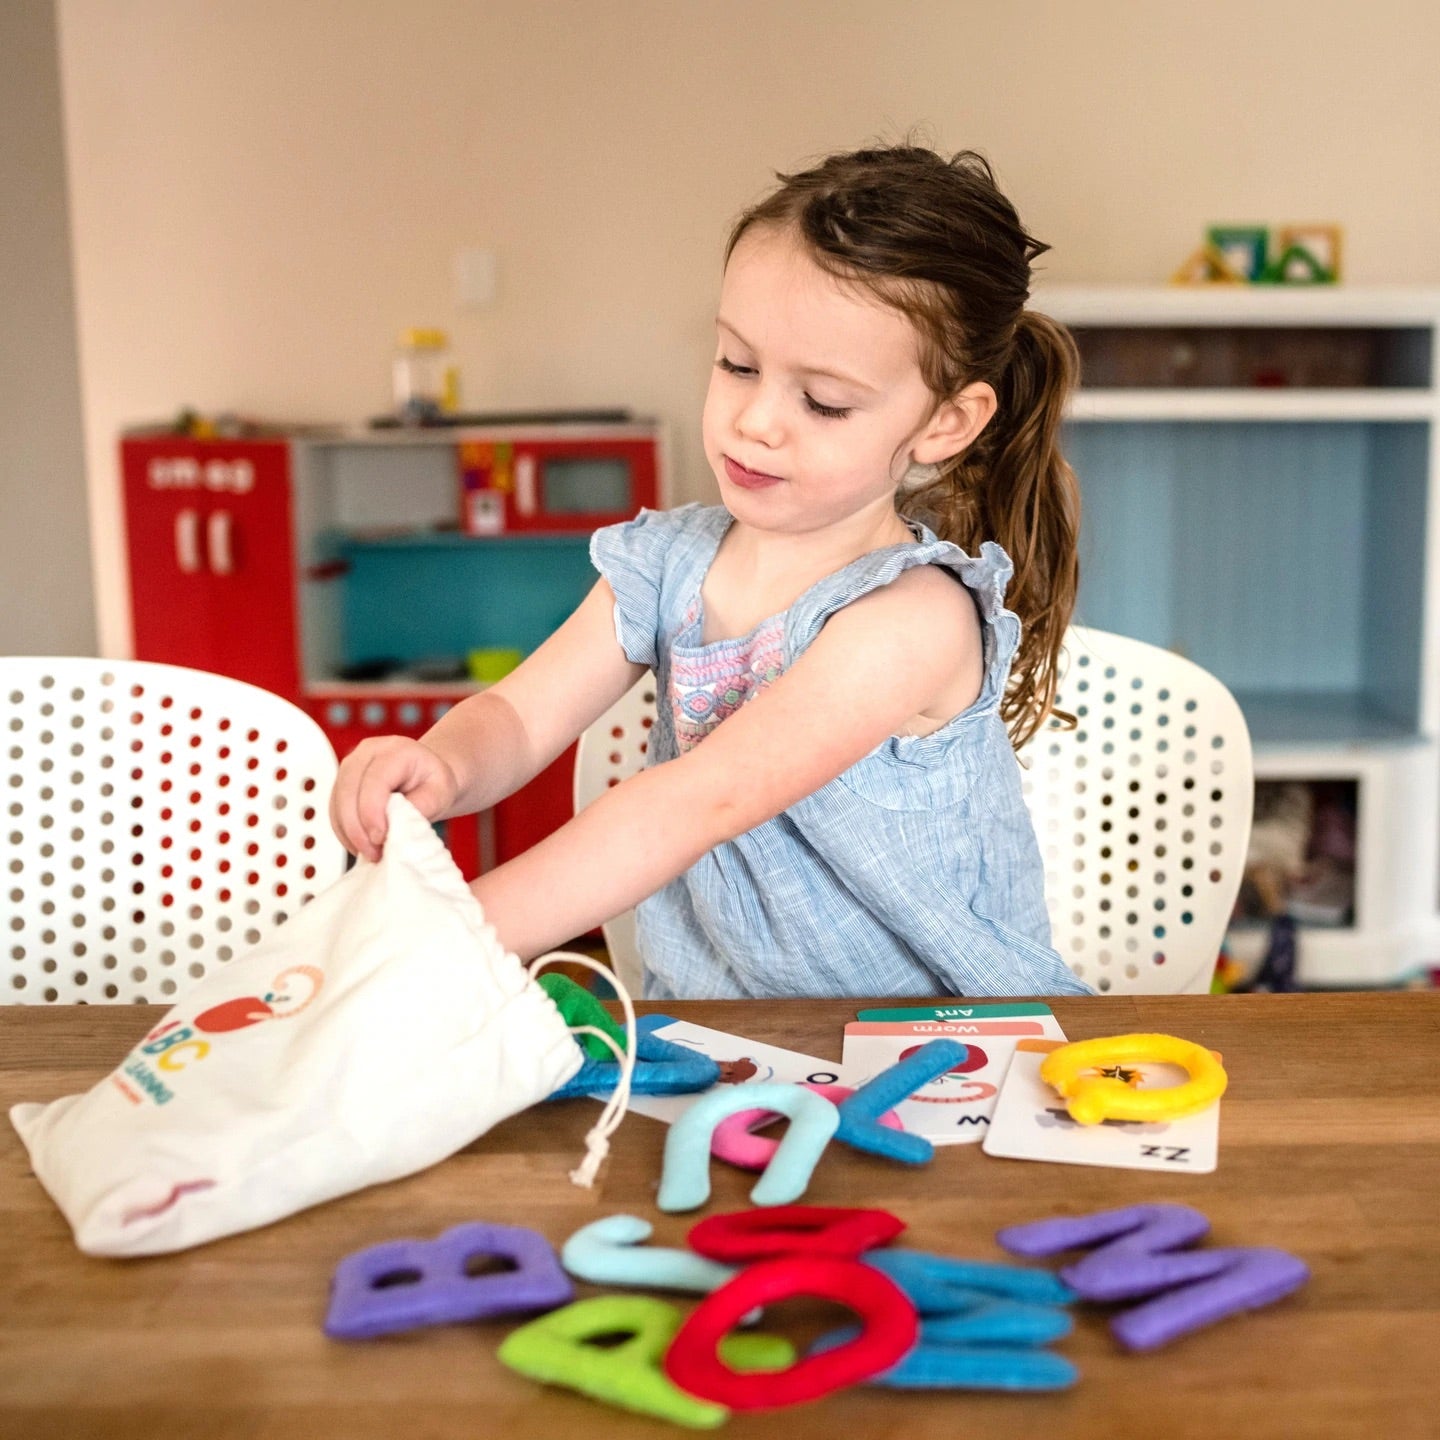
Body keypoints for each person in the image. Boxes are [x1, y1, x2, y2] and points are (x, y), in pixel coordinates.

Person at [330, 143, 1092, 1000]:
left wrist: (449, 939)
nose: (757, 419)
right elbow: (518, 713)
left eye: (824, 401)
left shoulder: (914, 616)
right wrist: (445, 766)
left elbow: (699, 800)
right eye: (736, 364)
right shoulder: (666, 564)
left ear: (945, 424)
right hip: (723, 1028)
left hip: (945, 1036)